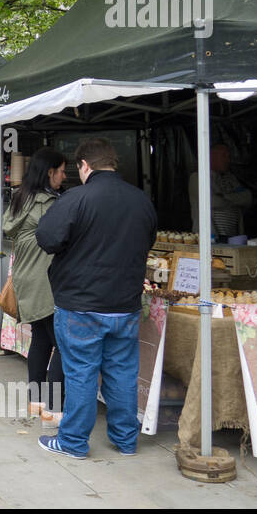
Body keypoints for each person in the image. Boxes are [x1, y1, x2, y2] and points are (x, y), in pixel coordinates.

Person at [35, 138, 157, 459]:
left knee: (81, 373)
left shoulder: (76, 198)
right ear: (113, 164)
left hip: (81, 305)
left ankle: (73, 442)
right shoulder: (141, 200)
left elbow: (46, 238)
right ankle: (125, 440)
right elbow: (148, 241)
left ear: (84, 166)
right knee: (122, 374)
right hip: (125, 306)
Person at [2, 147, 67, 424]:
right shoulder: (48, 203)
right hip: (45, 281)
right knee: (63, 345)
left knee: (41, 340)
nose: (64, 176)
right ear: (49, 172)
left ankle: (36, 402)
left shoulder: (21, 197)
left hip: (25, 277)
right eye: (62, 171)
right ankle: (53, 408)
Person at [189, 143, 252, 238]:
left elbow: (247, 197)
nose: (228, 160)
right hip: (211, 238)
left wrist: (224, 197)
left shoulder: (231, 179)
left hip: (233, 237)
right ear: (211, 157)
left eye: (228, 156)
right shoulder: (198, 177)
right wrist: (235, 199)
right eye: (224, 156)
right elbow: (211, 201)